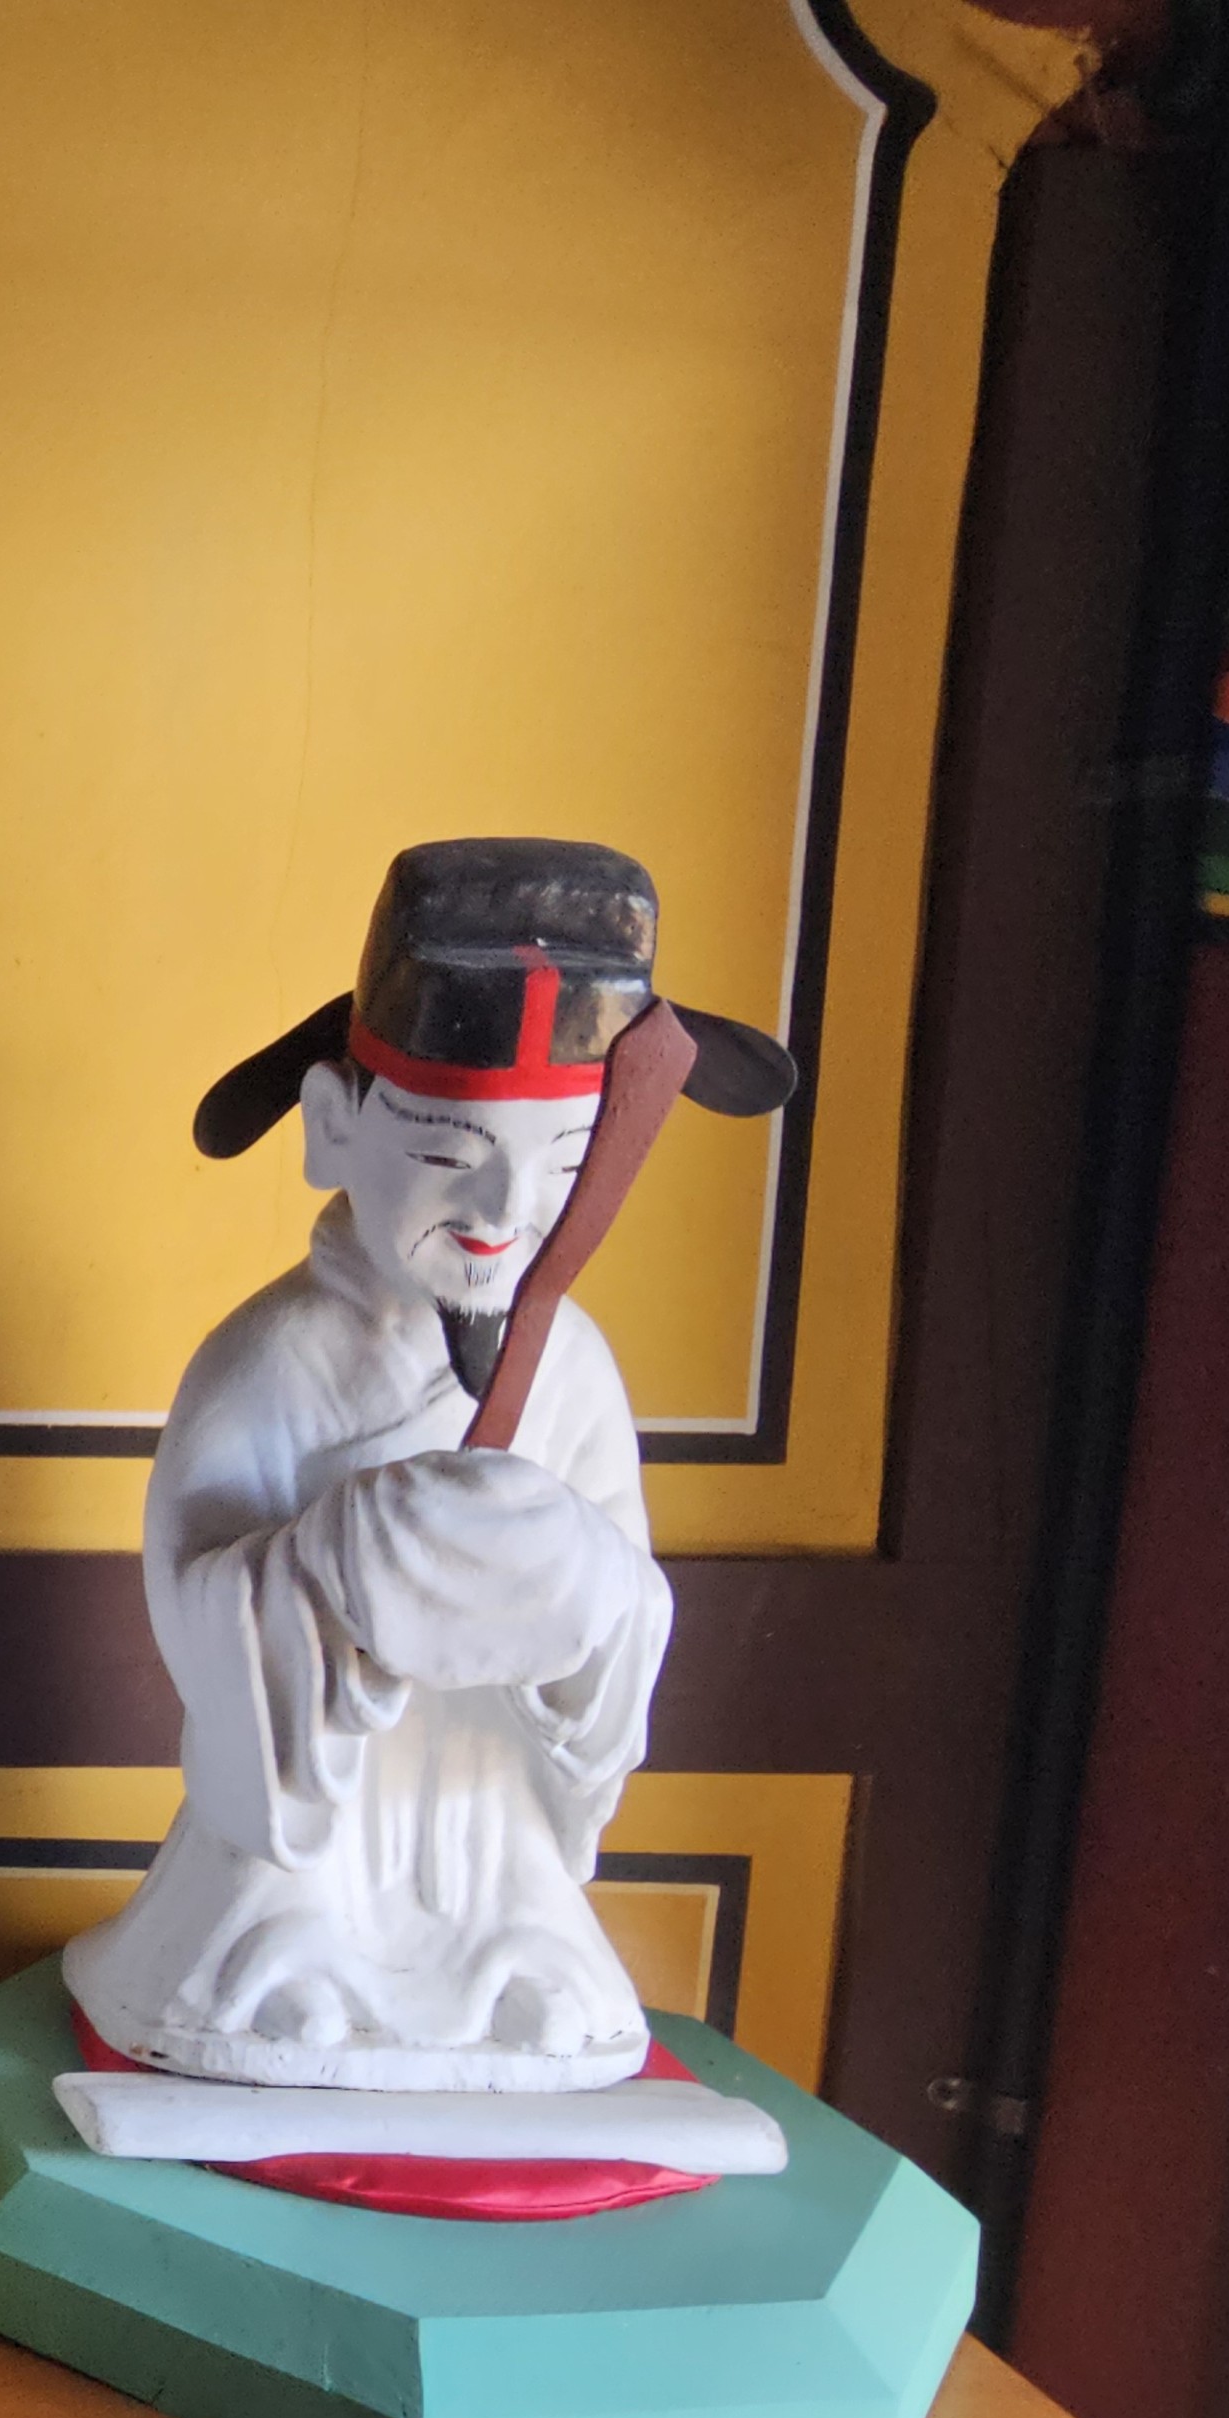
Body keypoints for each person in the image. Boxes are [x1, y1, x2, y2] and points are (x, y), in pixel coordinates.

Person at [62, 838, 794, 2094]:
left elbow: (633, 1604)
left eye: (566, 1161)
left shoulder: (572, 1369)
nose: (504, 1211)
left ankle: (502, 1945)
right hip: (305, 1837)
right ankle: (287, 1943)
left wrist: (577, 1582)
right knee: (267, 1969)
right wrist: (332, 1571)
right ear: (333, 1128)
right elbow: (194, 1601)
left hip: (486, 1817)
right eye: (452, 1155)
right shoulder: (268, 1359)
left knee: (542, 1979)